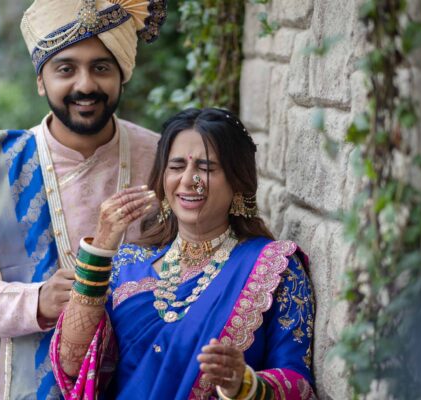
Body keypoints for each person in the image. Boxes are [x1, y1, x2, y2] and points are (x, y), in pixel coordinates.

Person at [0, 0, 167, 398]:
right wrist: (36, 301)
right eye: (66, 69)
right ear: (41, 81)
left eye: (101, 67)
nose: (85, 85)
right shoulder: (1, 167)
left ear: (122, 75)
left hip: (142, 381)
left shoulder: (161, 157)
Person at [49, 108, 316, 399]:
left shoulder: (272, 268)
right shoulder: (126, 266)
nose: (189, 180)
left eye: (206, 168)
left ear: (237, 181)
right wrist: (99, 250)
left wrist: (244, 385)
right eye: (176, 166)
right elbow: (72, 365)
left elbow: (298, 383)